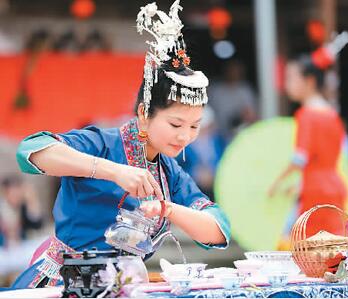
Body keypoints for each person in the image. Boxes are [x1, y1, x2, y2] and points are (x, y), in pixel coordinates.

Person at [12, 0, 230, 289]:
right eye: (176, 125)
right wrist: (114, 172)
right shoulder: (102, 142)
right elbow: (30, 151)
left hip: (124, 285)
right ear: (143, 114)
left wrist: (168, 209)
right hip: (67, 284)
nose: (185, 136)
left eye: (194, 126)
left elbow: (218, 230)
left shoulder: (169, 173)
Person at [268, 32, 348, 238]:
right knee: (334, 247)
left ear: (310, 80)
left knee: (310, 249)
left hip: (315, 190)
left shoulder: (307, 115)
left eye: (291, 78)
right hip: (335, 186)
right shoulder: (332, 115)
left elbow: (300, 158)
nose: (287, 85)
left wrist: (277, 182)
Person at [208, 59, 258, 142]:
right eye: (231, 70)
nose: (233, 73)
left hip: (239, 134)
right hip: (216, 134)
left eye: (236, 71)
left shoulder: (245, 90)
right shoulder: (215, 89)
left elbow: (251, 114)